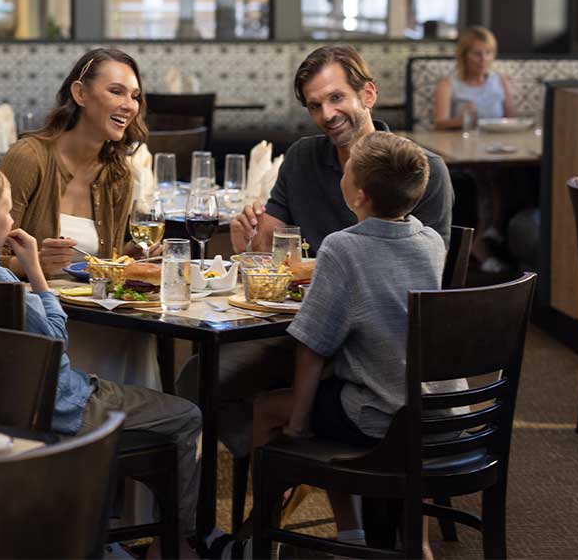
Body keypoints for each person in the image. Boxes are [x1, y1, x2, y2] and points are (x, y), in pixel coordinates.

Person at [176, 45, 454, 479]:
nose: (327, 114)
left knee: (279, 392)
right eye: (314, 105)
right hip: (297, 327)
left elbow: (430, 287)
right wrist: (248, 244)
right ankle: (286, 465)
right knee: (201, 375)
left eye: (336, 98)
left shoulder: (417, 171)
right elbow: (267, 254)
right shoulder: (303, 157)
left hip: (378, 345)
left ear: (368, 94)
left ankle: (292, 465)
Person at [0, 159, 202, 559]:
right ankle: (174, 544)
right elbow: (55, 341)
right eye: (8, 211)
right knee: (187, 415)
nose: (12, 219)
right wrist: (35, 271)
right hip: (60, 409)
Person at [247, 131, 462, 560]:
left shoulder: (342, 248)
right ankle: (401, 542)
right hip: (442, 414)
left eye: (346, 172)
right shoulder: (431, 242)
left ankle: (267, 538)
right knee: (338, 392)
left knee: (267, 409)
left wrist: (297, 424)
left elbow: (313, 347)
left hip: (383, 419)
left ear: (358, 195)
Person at [0, 48, 161, 388]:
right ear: (80, 94)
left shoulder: (118, 174)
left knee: (138, 334)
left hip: (98, 314)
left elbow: (102, 262)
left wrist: (132, 256)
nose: (129, 105)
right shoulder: (28, 158)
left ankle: (126, 415)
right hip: (37, 322)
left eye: (134, 96)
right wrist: (29, 264)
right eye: (116, 91)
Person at [433, 26, 518, 273]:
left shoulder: (500, 81)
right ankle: (483, 238)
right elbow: (439, 122)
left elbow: (511, 118)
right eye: (477, 54)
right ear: (464, 56)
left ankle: (496, 230)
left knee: (514, 175)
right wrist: (462, 119)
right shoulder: (449, 84)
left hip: (498, 150)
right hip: (463, 152)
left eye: (488, 53)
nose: (483, 60)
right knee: (486, 177)